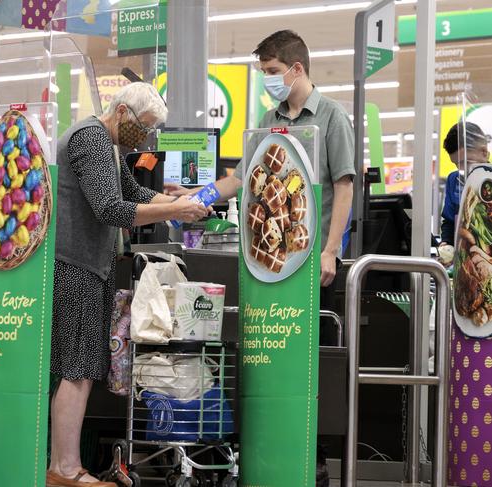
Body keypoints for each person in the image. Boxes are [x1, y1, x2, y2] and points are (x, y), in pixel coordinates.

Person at [165, 30, 355, 487]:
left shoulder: (332, 117)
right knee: (266, 363)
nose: (269, 80)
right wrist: (195, 195)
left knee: (308, 373)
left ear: (296, 69)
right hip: (268, 268)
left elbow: (344, 185)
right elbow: (237, 179)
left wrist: (331, 249)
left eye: (272, 72)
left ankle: (310, 460)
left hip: (313, 263)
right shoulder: (267, 121)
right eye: (264, 73)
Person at [46, 82, 208, 487]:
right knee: (76, 368)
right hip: (75, 265)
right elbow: (110, 208)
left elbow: (132, 192)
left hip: (86, 265)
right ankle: (64, 470)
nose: (146, 136)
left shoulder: (106, 142)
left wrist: (174, 201)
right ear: (120, 112)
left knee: (79, 367)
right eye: (144, 126)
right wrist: (174, 209)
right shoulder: (93, 139)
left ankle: (63, 465)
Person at [438, 121, 490, 266]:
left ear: (484, 152)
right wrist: (446, 243)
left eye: (466, 162)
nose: (462, 169)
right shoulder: (454, 180)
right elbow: (449, 220)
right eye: (456, 164)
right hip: (465, 268)